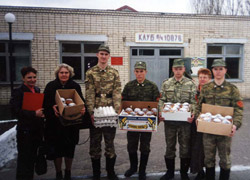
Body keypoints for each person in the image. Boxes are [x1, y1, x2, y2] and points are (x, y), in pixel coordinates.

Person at [196, 59, 243, 180]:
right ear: (212, 70)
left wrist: (235, 125)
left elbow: (238, 109)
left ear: (225, 70)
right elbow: (199, 107)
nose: (218, 71)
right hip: (208, 131)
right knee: (209, 159)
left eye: (221, 69)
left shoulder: (232, 89)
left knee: (225, 159)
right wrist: (197, 118)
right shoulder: (206, 88)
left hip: (224, 131)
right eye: (216, 69)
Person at [43, 64, 86, 180]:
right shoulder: (51, 86)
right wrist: (52, 108)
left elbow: (81, 101)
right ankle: (58, 173)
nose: (64, 75)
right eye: (61, 72)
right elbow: (44, 104)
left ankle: (68, 172)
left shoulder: (75, 86)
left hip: (71, 124)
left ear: (70, 74)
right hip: (55, 125)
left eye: (66, 73)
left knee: (69, 149)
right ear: (57, 74)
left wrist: (82, 109)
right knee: (57, 150)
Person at [85, 45, 121, 180]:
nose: (104, 56)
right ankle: (96, 174)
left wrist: (116, 111)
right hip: (97, 110)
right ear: (97, 55)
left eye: (106, 54)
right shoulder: (90, 72)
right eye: (101, 54)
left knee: (110, 143)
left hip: (110, 111)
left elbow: (117, 92)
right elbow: (89, 93)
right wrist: (91, 112)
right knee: (95, 144)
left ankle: (110, 173)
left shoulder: (114, 72)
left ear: (109, 56)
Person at [159, 59, 196, 180]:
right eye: (176, 69)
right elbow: (162, 100)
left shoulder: (190, 84)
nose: (178, 71)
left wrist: (193, 114)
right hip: (170, 122)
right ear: (172, 69)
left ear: (184, 69)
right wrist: (161, 111)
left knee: (185, 147)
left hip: (185, 123)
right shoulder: (166, 83)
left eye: (180, 69)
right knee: (170, 147)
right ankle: (170, 172)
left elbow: (193, 102)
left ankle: (183, 173)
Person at [122, 61, 160, 180]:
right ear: (134, 72)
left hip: (146, 123)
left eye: (141, 71)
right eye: (137, 71)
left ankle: (142, 170)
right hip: (132, 122)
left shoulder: (152, 86)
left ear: (146, 72)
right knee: (131, 145)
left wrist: (157, 118)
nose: (139, 74)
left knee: (145, 146)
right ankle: (133, 167)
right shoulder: (129, 86)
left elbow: (157, 103)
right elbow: (123, 103)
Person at [10, 67, 45, 180]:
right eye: (29, 77)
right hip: (25, 131)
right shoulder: (18, 92)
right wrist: (34, 113)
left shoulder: (37, 90)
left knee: (33, 158)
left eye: (34, 77)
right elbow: (15, 111)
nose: (32, 80)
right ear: (23, 78)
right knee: (25, 161)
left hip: (36, 131)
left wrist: (42, 113)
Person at [190, 68, 212, 180]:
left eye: (205, 77)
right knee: (196, 147)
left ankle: (207, 171)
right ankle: (199, 170)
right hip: (194, 123)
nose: (202, 79)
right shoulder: (194, 91)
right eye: (200, 77)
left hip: (208, 123)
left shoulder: (212, 92)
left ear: (209, 79)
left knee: (207, 148)